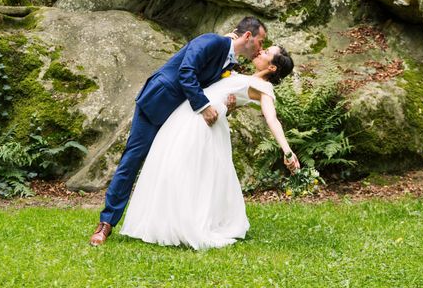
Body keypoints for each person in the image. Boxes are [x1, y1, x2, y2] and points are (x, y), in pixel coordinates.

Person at [89, 17, 269, 246]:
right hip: (158, 104)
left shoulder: (230, 64)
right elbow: (186, 72)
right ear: (247, 36)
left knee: (176, 168)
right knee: (132, 160)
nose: (260, 48)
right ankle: (106, 224)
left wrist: (226, 104)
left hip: (182, 118)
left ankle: (170, 224)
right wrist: (204, 107)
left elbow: (212, 89)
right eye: (261, 42)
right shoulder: (210, 41)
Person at [119, 45, 299, 249]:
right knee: (170, 167)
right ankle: (163, 221)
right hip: (189, 114)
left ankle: (187, 224)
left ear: (273, 68)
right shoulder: (244, 75)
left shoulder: (265, 89)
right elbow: (224, 97)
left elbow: (272, 119)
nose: (260, 51)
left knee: (187, 173)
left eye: (267, 52)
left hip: (202, 126)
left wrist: (287, 151)